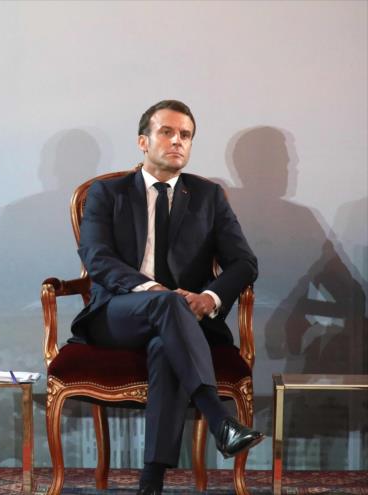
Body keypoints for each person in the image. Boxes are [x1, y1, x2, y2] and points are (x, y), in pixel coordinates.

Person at [70, 100, 263, 494]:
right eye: (167, 132)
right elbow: (97, 258)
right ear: (143, 141)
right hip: (119, 314)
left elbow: (244, 263)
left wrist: (209, 298)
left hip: (185, 321)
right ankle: (219, 419)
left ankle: (151, 482)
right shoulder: (108, 193)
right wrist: (156, 291)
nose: (177, 141)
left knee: (165, 348)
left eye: (185, 135)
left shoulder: (208, 197)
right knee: (167, 304)